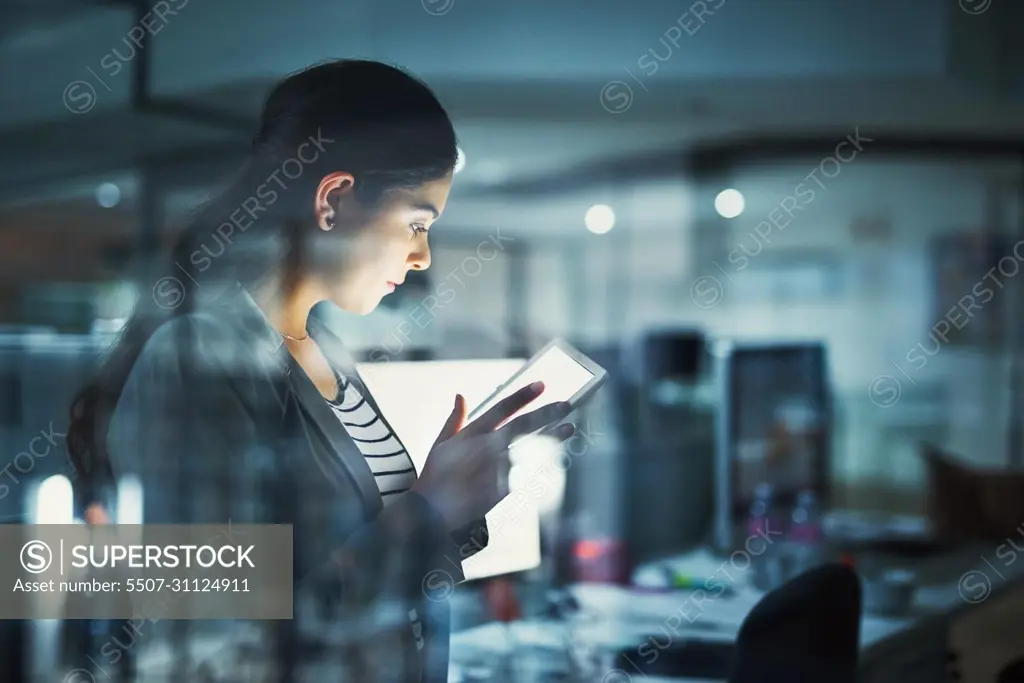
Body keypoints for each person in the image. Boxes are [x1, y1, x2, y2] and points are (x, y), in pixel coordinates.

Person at [66, 59, 575, 682]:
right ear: (333, 199)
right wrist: (427, 510)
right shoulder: (197, 357)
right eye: (417, 223)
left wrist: (459, 498)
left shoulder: (323, 350)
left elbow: (372, 578)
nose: (422, 257)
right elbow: (216, 632)